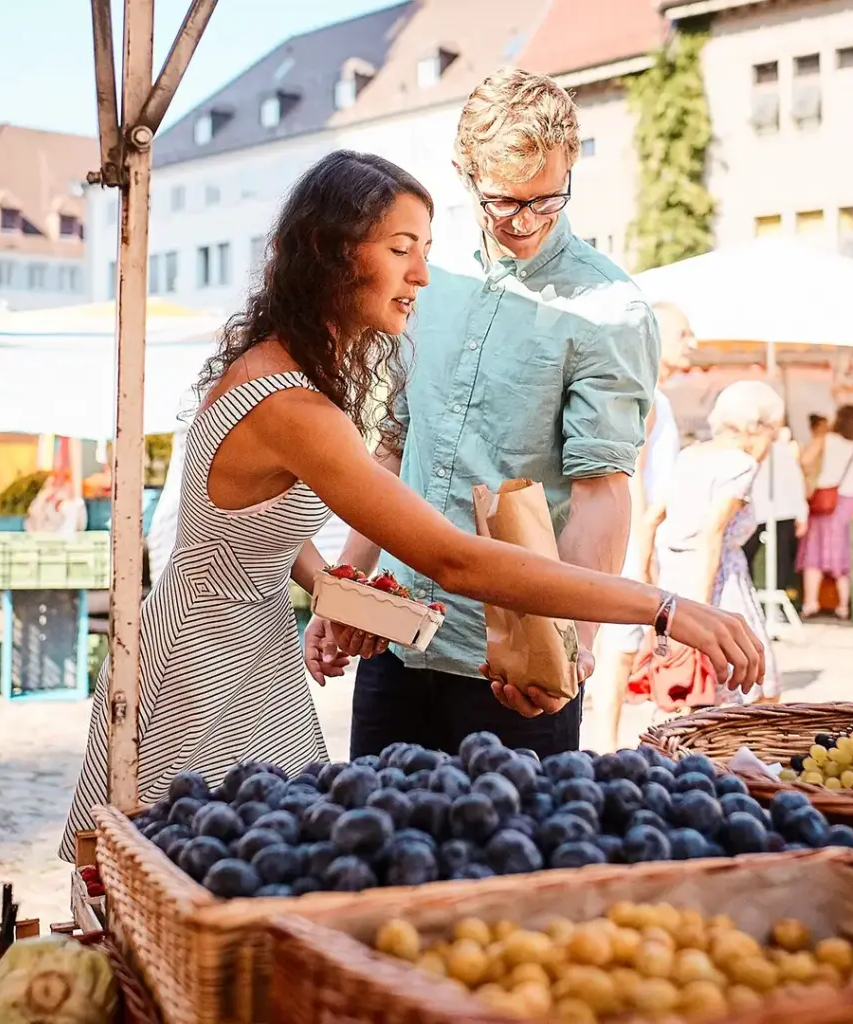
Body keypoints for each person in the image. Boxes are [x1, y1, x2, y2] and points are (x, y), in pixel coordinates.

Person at [59, 150, 764, 858]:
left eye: (425, 251)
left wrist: (334, 590)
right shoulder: (293, 405)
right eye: (402, 251)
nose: (422, 275)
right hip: (206, 667)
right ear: (333, 253)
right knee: (202, 879)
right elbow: (453, 559)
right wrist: (664, 607)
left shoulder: (284, 370)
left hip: (243, 653)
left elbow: (254, 531)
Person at [305, 68, 665, 758]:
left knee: (507, 861)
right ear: (464, 173)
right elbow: (392, 449)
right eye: (505, 202)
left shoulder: (609, 310)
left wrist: (575, 650)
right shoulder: (428, 280)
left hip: (516, 661)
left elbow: (601, 491)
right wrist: (342, 588)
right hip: (396, 639)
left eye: (547, 200)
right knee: (376, 852)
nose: (526, 222)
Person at [633, 381, 786, 709]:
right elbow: (712, 534)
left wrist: (647, 575)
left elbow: (652, 519)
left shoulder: (690, 456)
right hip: (716, 579)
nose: (772, 444)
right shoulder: (741, 465)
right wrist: (703, 608)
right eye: (773, 434)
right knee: (758, 683)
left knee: (694, 689)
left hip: (673, 576)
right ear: (756, 428)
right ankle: (743, 757)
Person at [586, 301, 693, 753]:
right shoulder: (645, 394)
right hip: (634, 533)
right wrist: (645, 545)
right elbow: (631, 474)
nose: (694, 344)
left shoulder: (655, 395)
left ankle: (605, 739)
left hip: (640, 532)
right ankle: (604, 743)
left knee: (623, 643)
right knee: (620, 643)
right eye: (685, 334)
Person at [797, 404, 853, 620]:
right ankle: (844, 606)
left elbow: (804, 461)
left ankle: (811, 603)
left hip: (825, 499)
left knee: (814, 551)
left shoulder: (826, 439)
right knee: (842, 549)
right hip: (848, 500)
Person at [742, 425, 808, 599]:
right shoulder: (777, 451)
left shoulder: (779, 451)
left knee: (774, 557)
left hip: (772, 510)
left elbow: (795, 480)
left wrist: (801, 511)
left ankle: (769, 596)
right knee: (772, 557)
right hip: (769, 510)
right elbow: (796, 480)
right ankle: (757, 595)